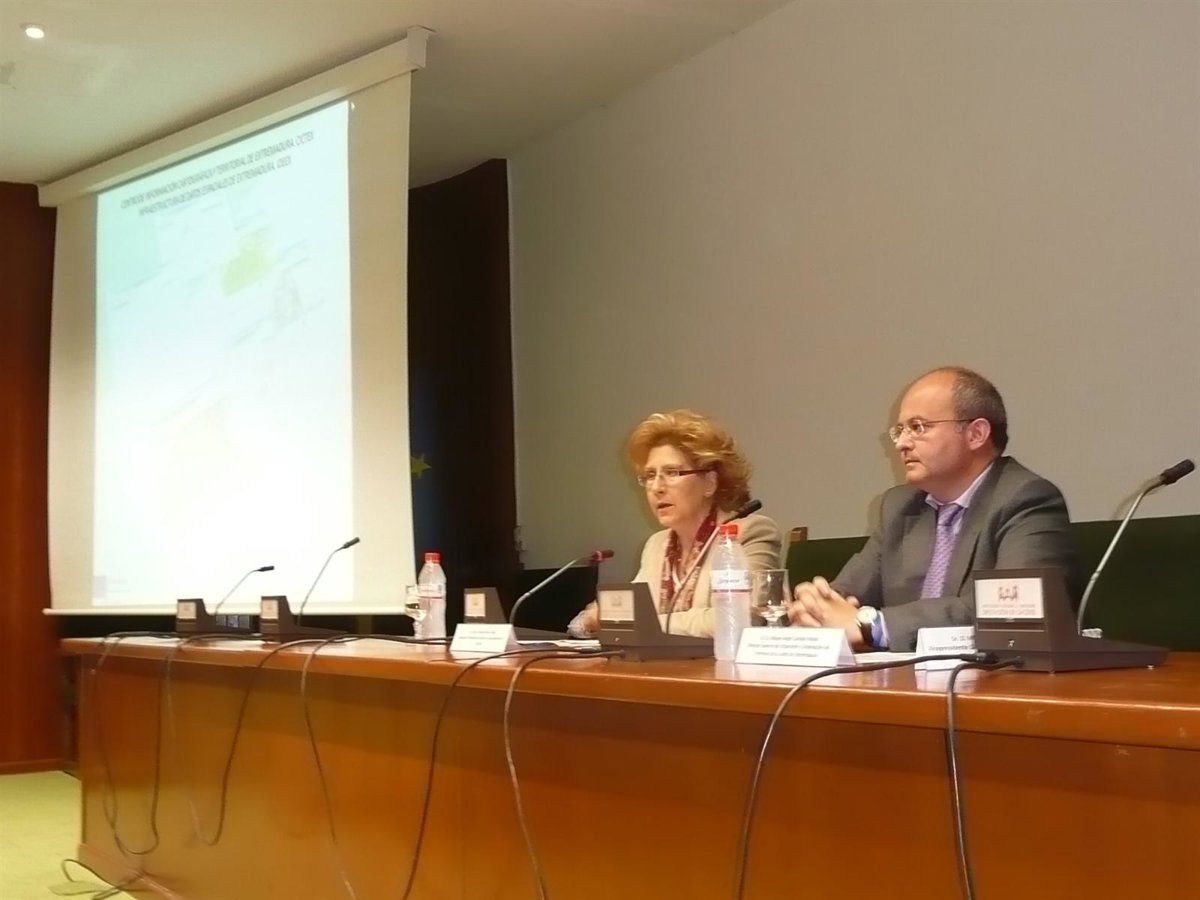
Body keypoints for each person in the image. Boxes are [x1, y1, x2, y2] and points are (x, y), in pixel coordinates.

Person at [787, 366, 1079, 652]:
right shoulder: (900, 506)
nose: (901, 444)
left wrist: (874, 626)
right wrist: (816, 608)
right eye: (900, 430)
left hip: (995, 678)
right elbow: (846, 595)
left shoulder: (1026, 499)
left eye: (918, 427)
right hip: (907, 677)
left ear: (976, 434)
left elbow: (1012, 613)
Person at [570, 409, 782, 637]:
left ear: (710, 482)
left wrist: (642, 622)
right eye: (650, 476)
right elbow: (614, 616)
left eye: (671, 473)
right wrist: (590, 621)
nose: (656, 488)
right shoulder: (657, 545)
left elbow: (737, 617)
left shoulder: (750, 533)